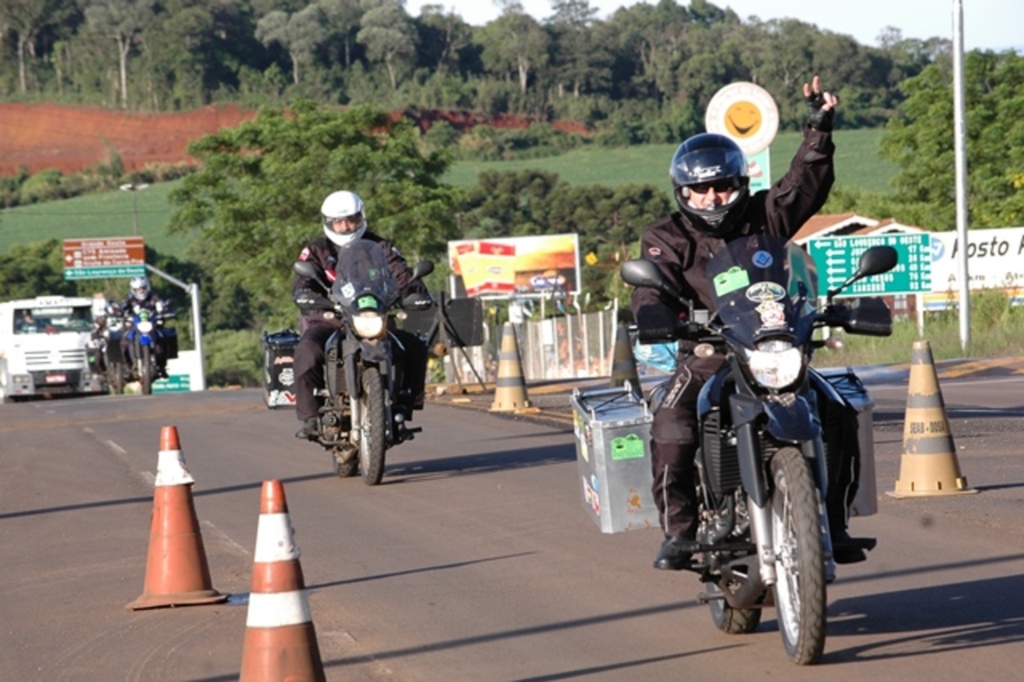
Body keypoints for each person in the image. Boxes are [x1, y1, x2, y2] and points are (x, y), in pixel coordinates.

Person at [631, 75, 863, 570]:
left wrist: (819, 129)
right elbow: (649, 285)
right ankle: (680, 530)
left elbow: (805, 185)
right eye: (700, 190)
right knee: (671, 420)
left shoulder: (766, 216)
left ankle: (834, 522)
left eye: (721, 187)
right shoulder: (666, 236)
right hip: (708, 351)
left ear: (740, 185)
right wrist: (655, 317)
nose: (712, 198)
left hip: (772, 345)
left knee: (838, 409)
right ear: (683, 193)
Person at [292, 190, 430, 440]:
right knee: (308, 351)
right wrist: (306, 295)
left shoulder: (380, 247)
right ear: (328, 222)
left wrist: (414, 290)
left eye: (351, 219)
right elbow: (304, 280)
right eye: (338, 221)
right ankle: (310, 417)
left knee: (414, 347)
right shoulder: (316, 250)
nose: (345, 226)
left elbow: (402, 273)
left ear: (361, 217)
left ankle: (404, 406)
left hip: (373, 318)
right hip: (330, 320)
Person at [120, 275, 171, 378]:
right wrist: (122, 312)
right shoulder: (129, 297)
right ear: (133, 289)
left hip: (152, 323)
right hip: (135, 324)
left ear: (147, 287)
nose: (141, 291)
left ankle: (162, 366)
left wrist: (163, 310)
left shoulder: (153, 296)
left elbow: (161, 304)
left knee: (163, 337)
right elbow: (123, 307)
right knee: (124, 341)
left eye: (143, 288)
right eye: (138, 289)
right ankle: (127, 367)